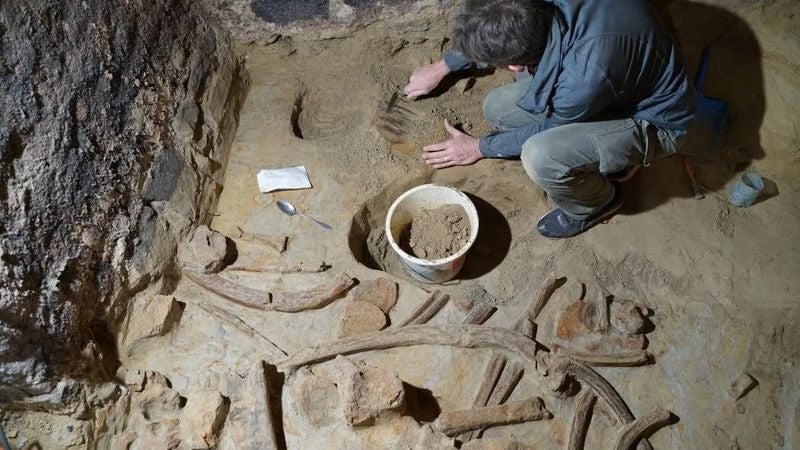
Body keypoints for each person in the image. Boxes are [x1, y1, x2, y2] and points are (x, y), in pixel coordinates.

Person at [403, 0, 695, 238]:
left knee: (541, 155)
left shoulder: (581, 81)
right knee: (498, 108)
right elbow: (493, 17)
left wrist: (478, 148)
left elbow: (550, 126)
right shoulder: (535, 10)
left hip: (656, 119)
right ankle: (605, 156)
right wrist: (443, 66)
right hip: (624, 73)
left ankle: (597, 204)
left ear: (515, 64)